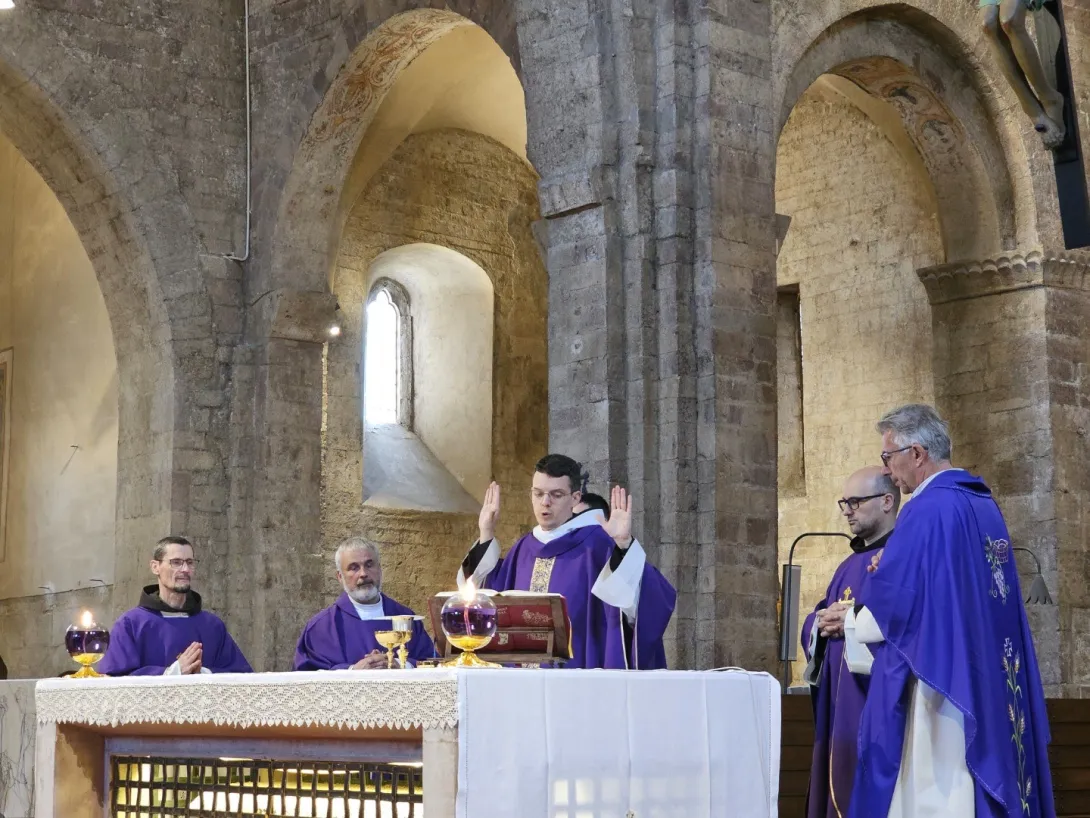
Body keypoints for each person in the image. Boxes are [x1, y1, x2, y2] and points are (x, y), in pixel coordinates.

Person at [844, 404, 1053, 817]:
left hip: (942, 681)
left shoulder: (926, 509)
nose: (887, 470)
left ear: (917, 454)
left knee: (940, 784)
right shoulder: (982, 504)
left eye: (888, 456)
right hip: (989, 677)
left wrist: (851, 620)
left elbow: (897, 605)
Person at [459, 454, 676, 669]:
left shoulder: (595, 544)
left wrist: (623, 544)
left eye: (556, 494)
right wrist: (486, 533)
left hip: (576, 676)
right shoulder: (522, 548)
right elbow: (483, 596)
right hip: (520, 680)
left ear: (575, 498)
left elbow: (644, 602)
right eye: (538, 493)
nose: (545, 502)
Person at [801, 466, 899, 818]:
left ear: (887, 501)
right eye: (844, 503)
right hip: (839, 710)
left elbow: (905, 625)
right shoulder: (845, 567)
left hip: (879, 705)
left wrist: (854, 621)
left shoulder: (900, 560)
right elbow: (820, 616)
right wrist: (819, 625)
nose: (847, 511)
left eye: (855, 502)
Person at [98, 536, 252, 675]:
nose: (185, 569)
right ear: (155, 567)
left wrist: (203, 674)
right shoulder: (131, 623)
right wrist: (172, 673)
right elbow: (114, 680)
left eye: (189, 562)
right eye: (176, 562)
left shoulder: (212, 625)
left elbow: (242, 677)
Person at [294, 537, 435, 670]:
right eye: (354, 568)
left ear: (379, 569)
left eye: (369, 565)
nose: (363, 574)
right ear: (340, 577)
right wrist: (352, 671)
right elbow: (306, 677)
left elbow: (433, 665)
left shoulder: (406, 618)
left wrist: (400, 664)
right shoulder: (321, 628)